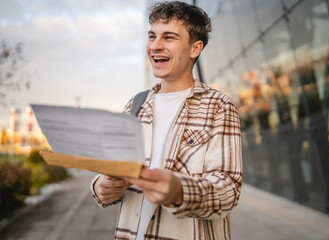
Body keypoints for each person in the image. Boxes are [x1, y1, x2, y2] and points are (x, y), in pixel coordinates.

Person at [91, 1, 242, 239]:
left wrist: (179, 190)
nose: (155, 46)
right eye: (152, 37)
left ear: (195, 49)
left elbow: (228, 190)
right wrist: (102, 187)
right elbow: (113, 168)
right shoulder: (135, 105)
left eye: (169, 37)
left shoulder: (219, 106)